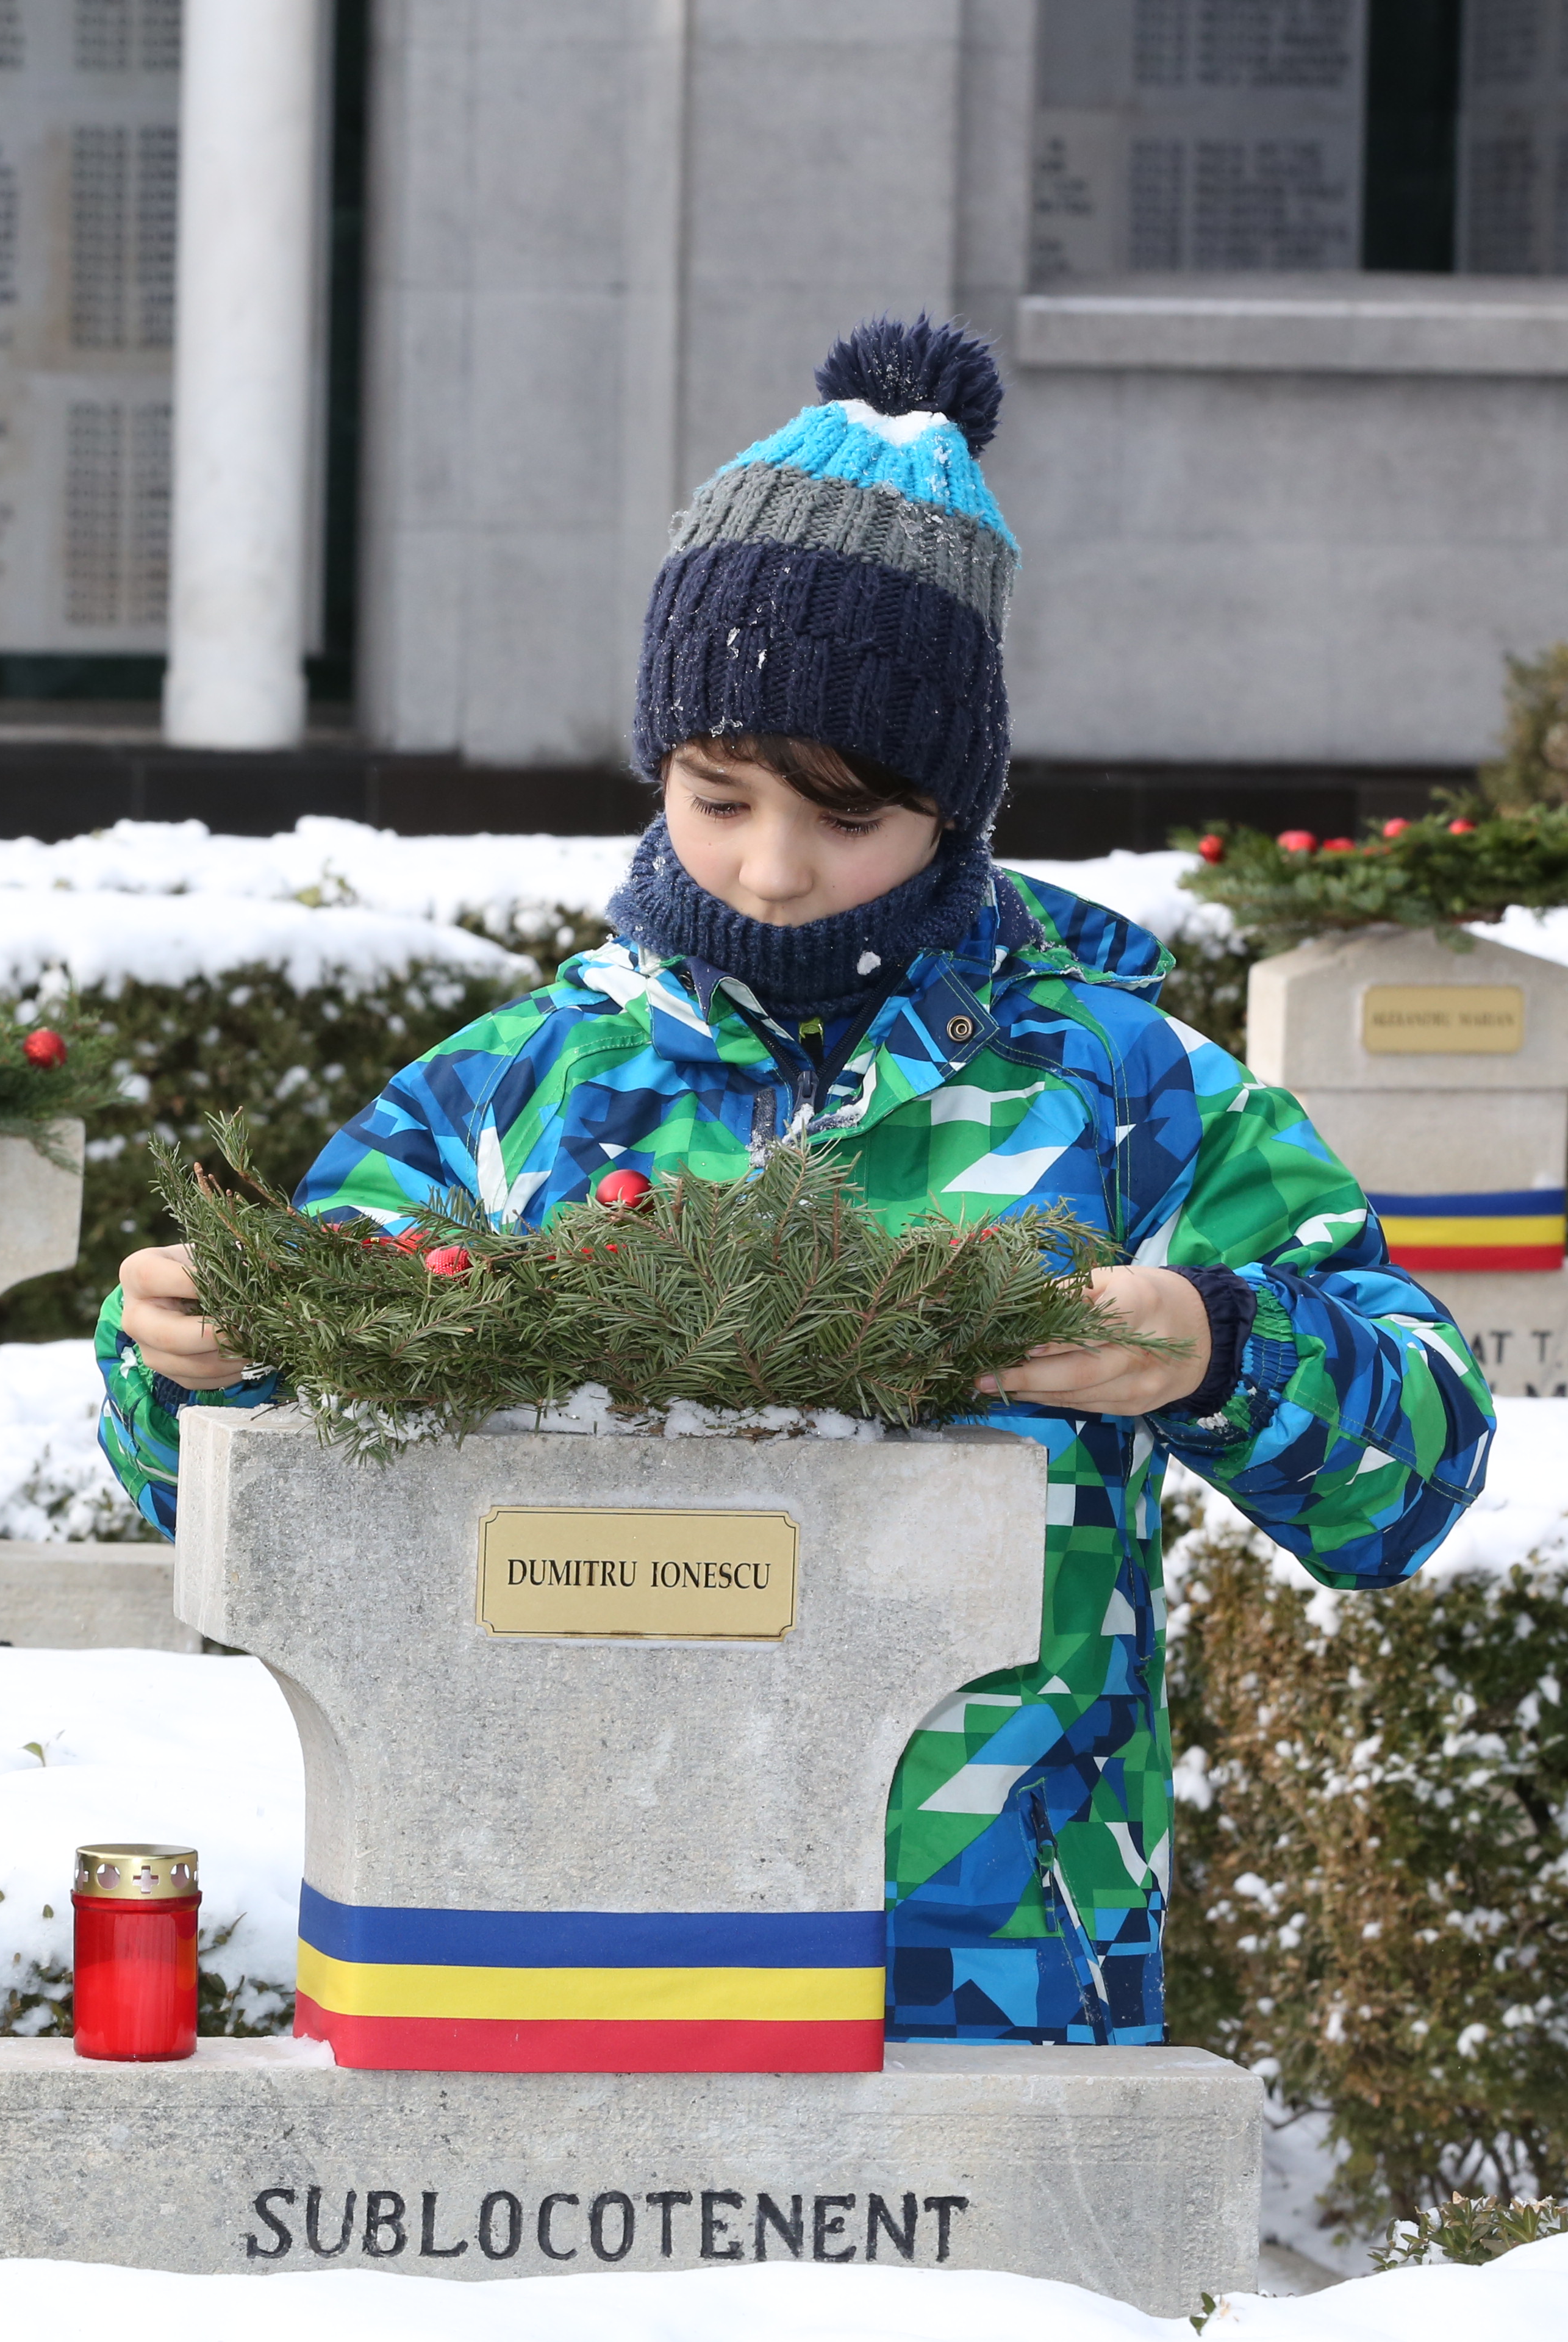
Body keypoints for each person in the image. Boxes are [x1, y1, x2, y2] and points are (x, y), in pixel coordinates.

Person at [95, 319, 1495, 2046]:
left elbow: (1419, 1472)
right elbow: (251, 1499)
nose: (771, 869)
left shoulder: (1125, 1092)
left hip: (986, 1990)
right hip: (551, 1938)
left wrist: (1214, 1345)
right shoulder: (514, 1098)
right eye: (719, 793)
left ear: (958, 805)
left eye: (848, 815)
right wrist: (175, 1356)